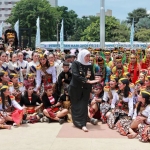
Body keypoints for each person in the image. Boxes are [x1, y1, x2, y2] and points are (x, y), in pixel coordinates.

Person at [68, 49, 100, 132]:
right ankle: (77, 122)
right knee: (76, 106)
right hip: (75, 89)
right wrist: (87, 81)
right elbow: (75, 75)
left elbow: (92, 77)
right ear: (82, 56)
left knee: (83, 106)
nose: (88, 58)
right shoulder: (76, 63)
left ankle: (83, 124)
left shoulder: (89, 65)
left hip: (85, 89)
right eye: (87, 56)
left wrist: (97, 79)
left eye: (89, 56)